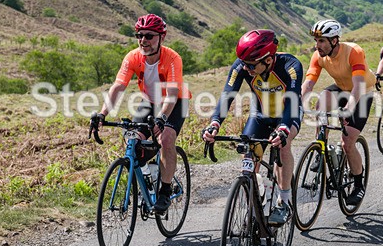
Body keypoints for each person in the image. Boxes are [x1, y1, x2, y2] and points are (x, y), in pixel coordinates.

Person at [90, 14, 190, 214]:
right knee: (132, 141)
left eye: (149, 36)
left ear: (162, 37)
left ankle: (165, 190)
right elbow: (118, 86)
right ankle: (148, 175)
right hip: (149, 101)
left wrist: (162, 118)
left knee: (166, 139)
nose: (143, 40)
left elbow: (171, 95)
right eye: (140, 35)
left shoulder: (172, 58)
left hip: (176, 102)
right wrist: (102, 113)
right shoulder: (132, 57)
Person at [202, 30, 302, 225]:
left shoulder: (291, 66)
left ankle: (284, 201)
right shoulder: (242, 65)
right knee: (248, 156)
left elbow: (292, 100)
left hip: (288, 113)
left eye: (251, 64)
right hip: (260, 115)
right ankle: (256, 202)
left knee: (284, 145)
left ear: (267, 59)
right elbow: (227, 95)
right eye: (243, 63)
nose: (245, 68)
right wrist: (215, 122)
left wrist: (283, 129)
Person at [302, 19, 377, 207]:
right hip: (341, 87)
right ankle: (321, 147)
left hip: (362, 92)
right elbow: (309, 83)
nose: (317, 45)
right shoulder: (318, 56)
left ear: (334, 40)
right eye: (316, 41)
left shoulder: (354, 51)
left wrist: (349, 109)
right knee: (322, 101)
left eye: (321, 41)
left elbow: (358, 86)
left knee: (347, 143)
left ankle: (359, 185)